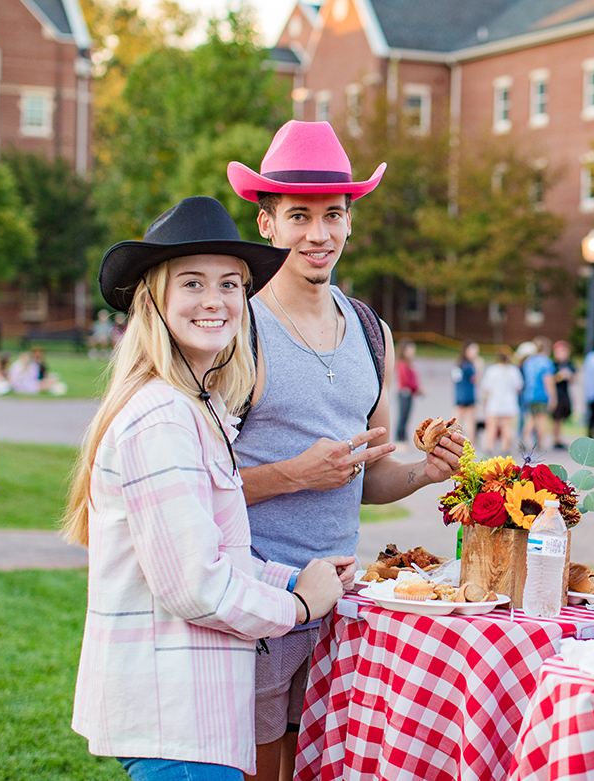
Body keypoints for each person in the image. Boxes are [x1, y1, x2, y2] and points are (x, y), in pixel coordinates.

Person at [62, 196, 354, 780]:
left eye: (229, 284)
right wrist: (297, 604)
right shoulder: (161, 418)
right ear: (155, 299)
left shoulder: (198, 407)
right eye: (192, 283)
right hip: (174, 714)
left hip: (194, 711)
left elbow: (210, 551)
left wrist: (293, 575)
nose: (215, 301)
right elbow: (195, 586)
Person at [227, 120, 464, 781]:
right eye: (299, 216)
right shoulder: (238, 328)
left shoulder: (370, 329)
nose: (318, 233)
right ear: (267, 222)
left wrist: (422, 472)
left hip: (342, 604)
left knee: (326, 762)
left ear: (350, 221)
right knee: (257, 765)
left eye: (333, 214)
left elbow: (367, 473)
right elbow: (197, 484)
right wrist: (292, 474)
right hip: (258, 599)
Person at [480, 351, 522, 453]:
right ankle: (505, 447)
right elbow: (519, 387)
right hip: (509, 403)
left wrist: (484, 403)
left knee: (491, 426)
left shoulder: (492, 370)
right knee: (507, 427)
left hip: (494, 402)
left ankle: (489, 446)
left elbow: (486, 389)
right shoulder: (513, 371)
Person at [520, 335, 555, 450]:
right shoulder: (546, 362)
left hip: (529, 394)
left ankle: (523, 439)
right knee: (542, 419)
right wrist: (553, 397)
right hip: (542, 395)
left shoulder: (529, 361)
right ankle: (540, 444)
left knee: (532, 418)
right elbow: (548, 380)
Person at [452, 342, 482, 438]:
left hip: (459, 394)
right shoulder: (470, 365)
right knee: (470, 422)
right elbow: (475, 379)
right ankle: (471, 442)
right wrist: (479, 366)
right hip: (468, 395)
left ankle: (452, 439)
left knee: (456, 421)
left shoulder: (458, 364)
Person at [549, 340, 574, 449]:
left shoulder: (569, 363)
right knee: (556, 417)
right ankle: (555, 438)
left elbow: (575, 376)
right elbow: (550, 379)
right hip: (556, 392)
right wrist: (559, 376)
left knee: (562, 416)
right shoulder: (553, 364)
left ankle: (559, 438)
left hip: (565, 392)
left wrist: (569, 376)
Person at [393, 340, 420, 442]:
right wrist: (416, 388)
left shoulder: (411, 364)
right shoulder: (402, 364)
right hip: (404, 393)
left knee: (407, 417)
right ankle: (400, 439)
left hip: (411, 394)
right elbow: (405, 381)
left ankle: (404, 438)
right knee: (402, 416)